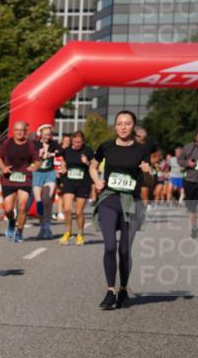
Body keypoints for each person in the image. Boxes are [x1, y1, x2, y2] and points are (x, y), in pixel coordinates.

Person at [90, 110, 150, 310]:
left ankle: (123, 289)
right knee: (109, 247)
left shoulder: (142, 150)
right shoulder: (105, 147)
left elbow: (147, 181)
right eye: (119, 123)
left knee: (125, 251)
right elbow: (92, 166)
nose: (123, 127)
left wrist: (149, 172)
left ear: (133, 126)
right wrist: (97, 180)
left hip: (131, 201)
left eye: (127, 123)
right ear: (115, 126)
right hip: (109, 198)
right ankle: (110, 291)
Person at [0, 120, 40, 243]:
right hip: (9, 178)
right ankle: (11, 221)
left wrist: (34, 167)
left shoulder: (30, 145)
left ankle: (19, 232)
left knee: (22, 205)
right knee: (8, 209)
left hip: (25, 178)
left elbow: (37, 160)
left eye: (21, 130)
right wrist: (3, 167)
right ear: (13, 131)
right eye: (17, 130)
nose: (19, 132)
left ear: (26, 131)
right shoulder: (7, 143)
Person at [56, 131, 93, 246]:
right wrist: (63, 168)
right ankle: (68, 232)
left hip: (83, 183)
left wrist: (86, 162)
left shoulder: (88, 150)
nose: (77, 144)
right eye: (75, 142)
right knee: (67, 209)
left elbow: (94, 166)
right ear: (72, 141)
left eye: (79, 142)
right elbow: (61, 159)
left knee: (78, 212)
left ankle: (80, 234)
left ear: (83, 142)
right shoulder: (67, 150)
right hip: (69, 182)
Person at [32, 123, 60, 239]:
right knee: (39, 201)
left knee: (47, 199)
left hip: (49, 173)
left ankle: (47, 226)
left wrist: (51, 154)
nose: (47, 137)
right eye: (45, 134)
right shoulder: (35, 144)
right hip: (37, 173)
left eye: (49, 134)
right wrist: (38, 155)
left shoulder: (54, 144)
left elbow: (61, 151)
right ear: (40, 134)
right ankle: (42, 226)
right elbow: (30, 155)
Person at [135, 126, 158, 216]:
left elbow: (157, 154)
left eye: (137, 136)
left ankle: (143, 211)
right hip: (134, 169)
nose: (136, 137)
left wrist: (153, 162)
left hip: (145, 170)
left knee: (144, 190)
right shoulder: (132, 144)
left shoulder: (150, 145)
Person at [182, 132, 198, 238]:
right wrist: (188, 163)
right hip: (191, 181)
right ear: (195, 137)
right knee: (192, 208)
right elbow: (180, 160)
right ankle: (194, 227)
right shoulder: (188, 147)